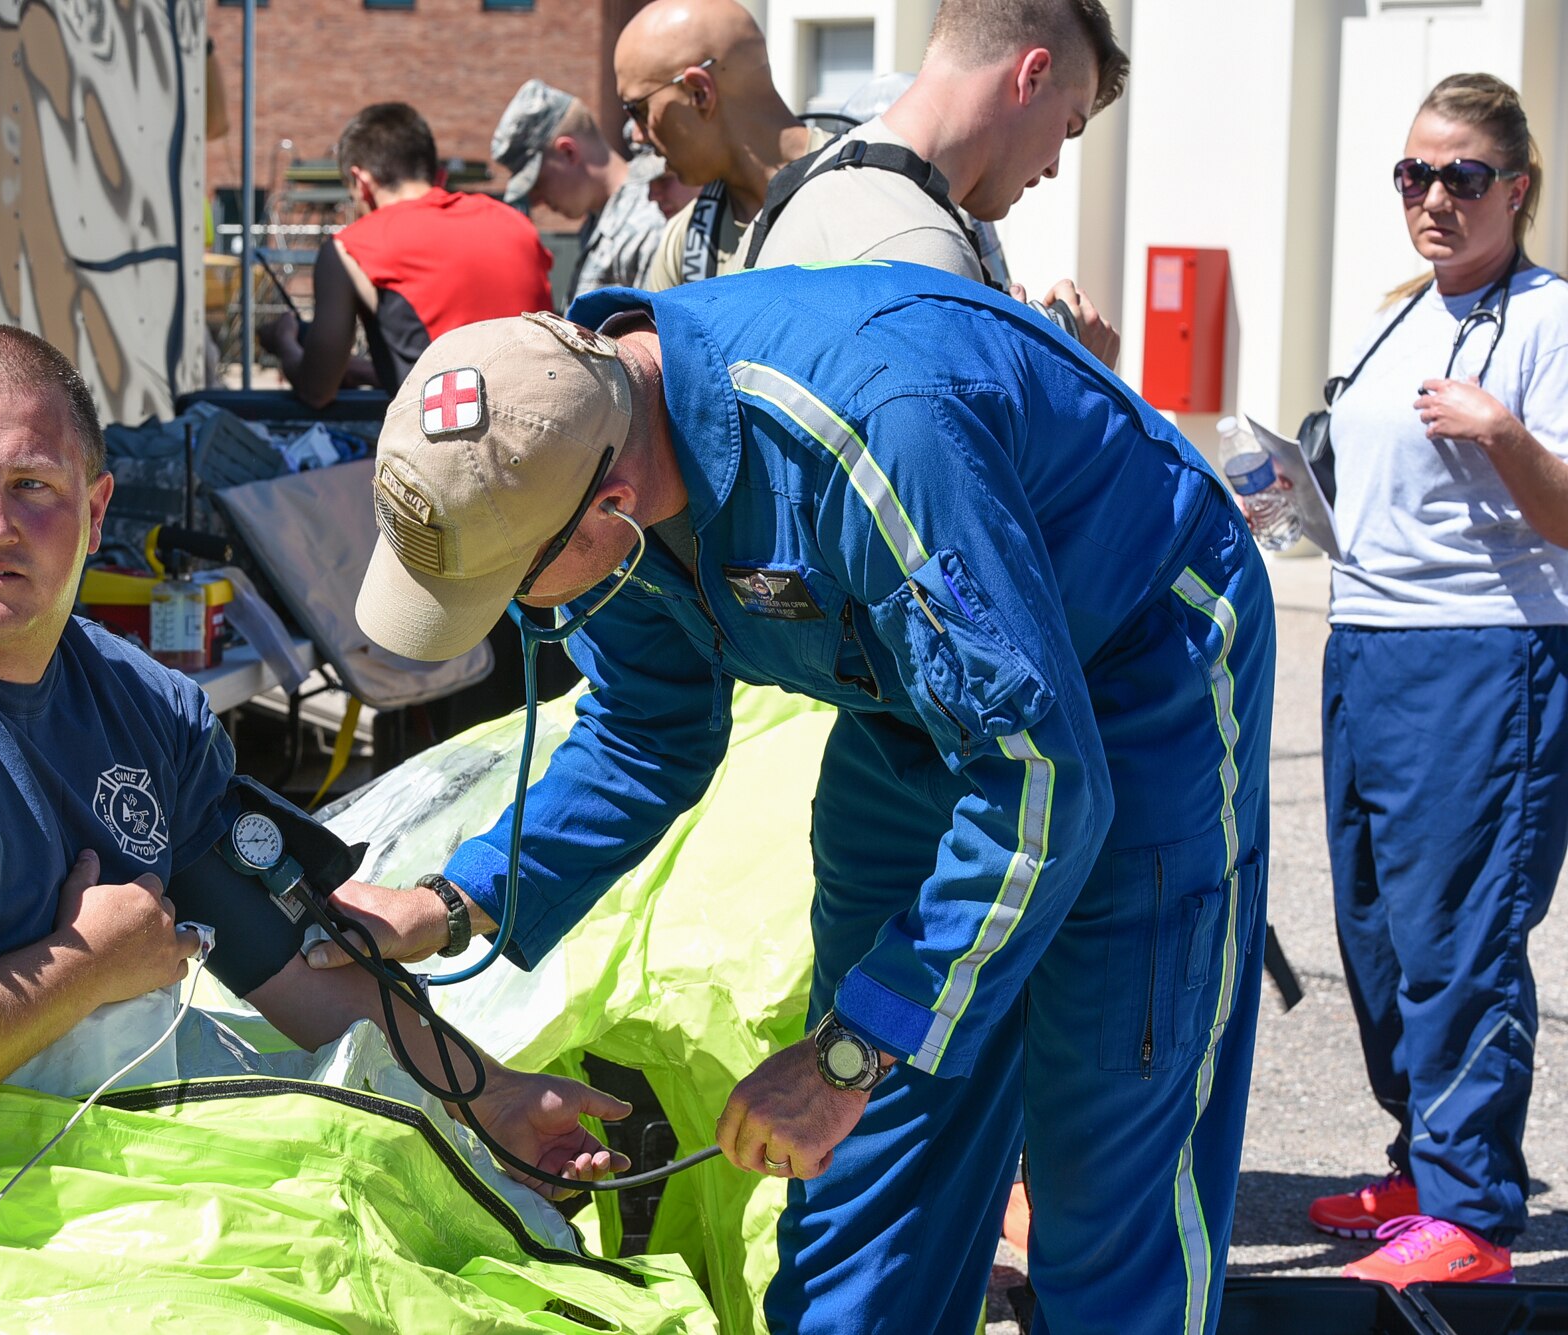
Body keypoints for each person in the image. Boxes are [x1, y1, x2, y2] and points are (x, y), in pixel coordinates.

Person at [328, 263, 1275, 1333]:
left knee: (1106, 1146)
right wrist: (452, 902)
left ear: (611, 510)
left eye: (511, 590)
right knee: (860, 1167)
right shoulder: (587, 467)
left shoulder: (875, 434)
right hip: (912, 707)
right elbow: (646, 732)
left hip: (1136, 668)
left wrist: (842, 1056)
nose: (515, 618)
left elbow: (1040, 780)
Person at [0, 324, 632, 1189]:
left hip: (70, 1178)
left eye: (32, 486)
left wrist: (488, 1098)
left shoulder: (140, 703)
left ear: (98, 510)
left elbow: (291, 964)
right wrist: (85, 965)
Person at [1295, 73, 1568, 1288]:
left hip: (1484, 651)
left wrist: (1504, 433)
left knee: (1458, 935)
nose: (1433, 198)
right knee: (1373, 927)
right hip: (1363, 638)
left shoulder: (1549, 320)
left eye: (1461, 177)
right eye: (1414, 174)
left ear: (1515, 189)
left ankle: (1470, 1214)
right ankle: (1421, 1167)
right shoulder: (1396, 311)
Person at [748, 0, 1126, 368]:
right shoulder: (925, 252)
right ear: (1032, 76)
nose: (1054, 167)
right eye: (1069, 127)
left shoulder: (809, 179)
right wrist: (1076, 376)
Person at [261, 103, 554, 407]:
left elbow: (317, 391)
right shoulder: (515, 224)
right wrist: (361, 370)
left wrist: (284, 343)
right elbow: (479, 371)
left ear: (361, 183)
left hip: (452, 445)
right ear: (432, 171)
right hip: (550, 433)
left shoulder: (349, 249)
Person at [616, 0, 826, 289]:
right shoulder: (687, 242)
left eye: (638, 109)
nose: (639, 135)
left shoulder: (863, 188)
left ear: (699, 93)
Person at [492, 79, 667, 297]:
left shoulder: (648, 224)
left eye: (538, 182)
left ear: (568, 152)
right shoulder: (598, 224)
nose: (536, 200)